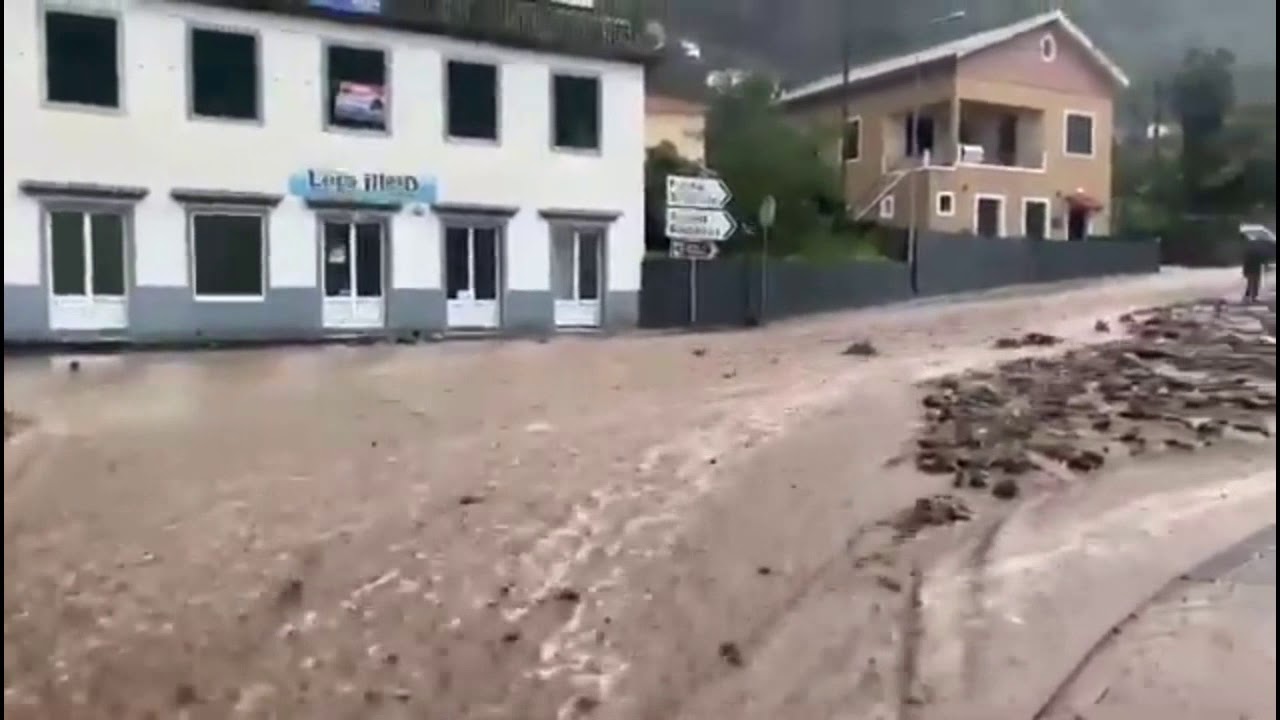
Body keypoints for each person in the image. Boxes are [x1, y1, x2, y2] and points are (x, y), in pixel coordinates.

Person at [1242, 238, 1266, 303]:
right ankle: (1251, 297)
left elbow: (1262, 261)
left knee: (1253, 284)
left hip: (1254, 270)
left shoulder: (1255, 252)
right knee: (1253, 284)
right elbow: (1246, 262)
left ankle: (1251, 297)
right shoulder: (1252, 252)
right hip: (1253, 270)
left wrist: (1245, 271)